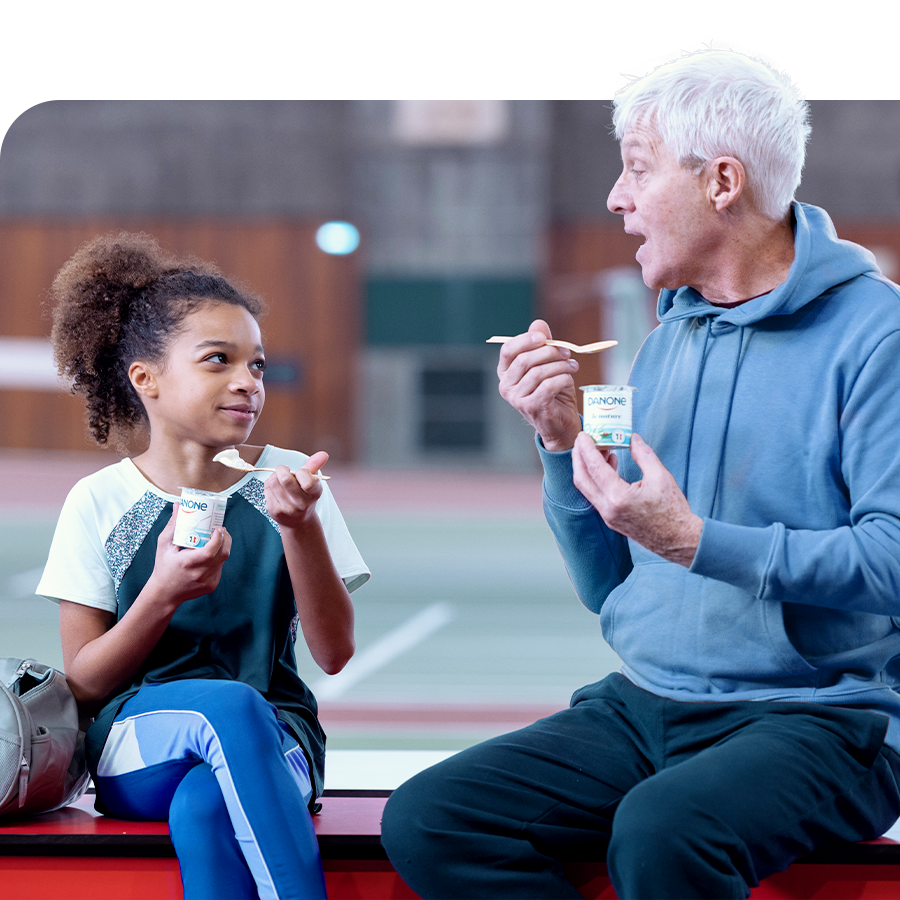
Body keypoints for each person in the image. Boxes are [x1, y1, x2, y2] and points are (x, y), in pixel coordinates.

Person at [381, 48, 900, 899]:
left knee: (664, 830)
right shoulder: (669, 341)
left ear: (721, 182)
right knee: (432, 818)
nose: (617, 198)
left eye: (636, 170)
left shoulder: (877, 339)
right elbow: (607, 584)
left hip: (823, 717)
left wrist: (697, 542)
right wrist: (558, 444)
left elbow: (892, 560)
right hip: (646, 702)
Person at [37, 232, 370, 900]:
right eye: (219, 360)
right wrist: (159, 596)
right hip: (136, 743)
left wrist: (300, 528)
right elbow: (86, 681)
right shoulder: (102, 501)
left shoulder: (292, 484)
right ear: (146, 380)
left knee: (204, 806)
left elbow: (333, 654)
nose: (247, 381)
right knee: (226, 707)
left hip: (282, 738)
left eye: (257, 366)